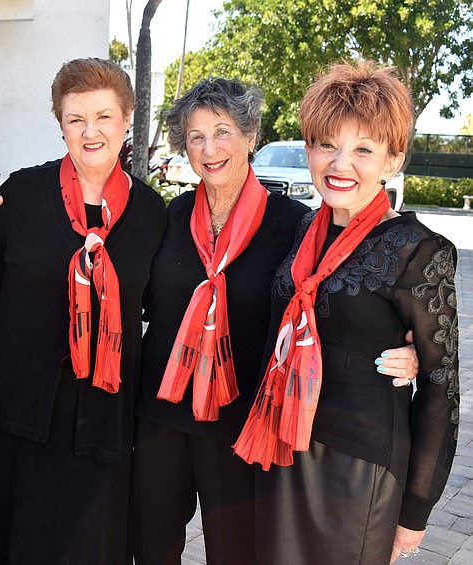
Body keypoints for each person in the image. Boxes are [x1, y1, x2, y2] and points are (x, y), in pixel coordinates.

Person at [132, 77, 420, 565]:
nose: (209, 148)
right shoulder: (172, 214)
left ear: (250, 136)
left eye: (223, 132)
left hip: (242, 421)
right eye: (196, 136)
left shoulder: (295, 224)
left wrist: (403, 345)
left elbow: (331, 301)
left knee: (238, 552)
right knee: (152, 546)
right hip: (161, 413)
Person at [234, 61, 458, 565]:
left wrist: (416, 511)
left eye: (363, 150)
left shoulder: (418, 251)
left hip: (359, 468)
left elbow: (443, 391)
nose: (340, 164)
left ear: (393, 160)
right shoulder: (304, 230)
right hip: (284, 446)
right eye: (326, 145)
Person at [0, 57, 167, 564]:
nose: (90, 131)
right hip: (20, 415)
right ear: (61, 127)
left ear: (127, 121)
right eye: (76, 119)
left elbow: (162, 300)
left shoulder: (150, 212)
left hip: (102, 418)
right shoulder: (22, 194)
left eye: (103, 117)